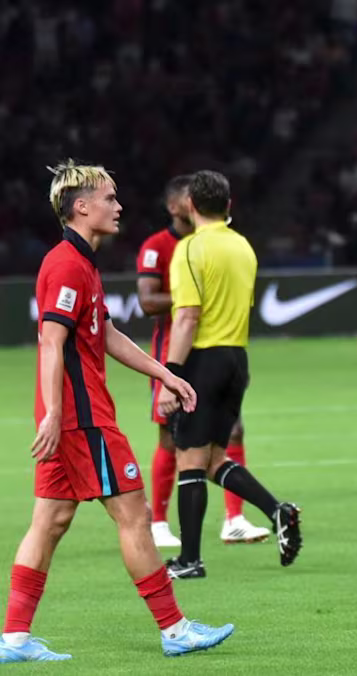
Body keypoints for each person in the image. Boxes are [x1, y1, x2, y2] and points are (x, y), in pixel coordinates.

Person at [0, 161, 233, 663]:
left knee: (50, 520)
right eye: (109, 198)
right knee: (135, 515)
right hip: (82, 420)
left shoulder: (81, 264)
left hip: (70, 419)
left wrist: (165, 373)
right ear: (81, 207)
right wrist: (56, 414)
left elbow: (105, 334)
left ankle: (14, 638)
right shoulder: (66, 265)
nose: (118, 206)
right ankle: (175, 629)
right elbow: (51, 341)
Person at [157, 170, 303, 579]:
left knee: (189, 459)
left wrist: (171, 376)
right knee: (214, 460)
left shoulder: (189, 248)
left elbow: (187, 316)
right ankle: (278, 511)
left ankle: (189, 561)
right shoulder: (243, 247)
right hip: (236, 357)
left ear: (190, 205)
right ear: (228, 205)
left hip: (203, 359)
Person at [136, 175, 270, 548]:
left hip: (214, 353)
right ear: (174, 206)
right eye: (182, 197)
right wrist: (192, 296)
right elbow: (148, 302)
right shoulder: (161, 247)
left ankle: (234, 519)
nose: (187, 202)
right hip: (173, 352)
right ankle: (159, 523)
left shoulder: (215, 246)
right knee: (171, 439)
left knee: (232, 433)